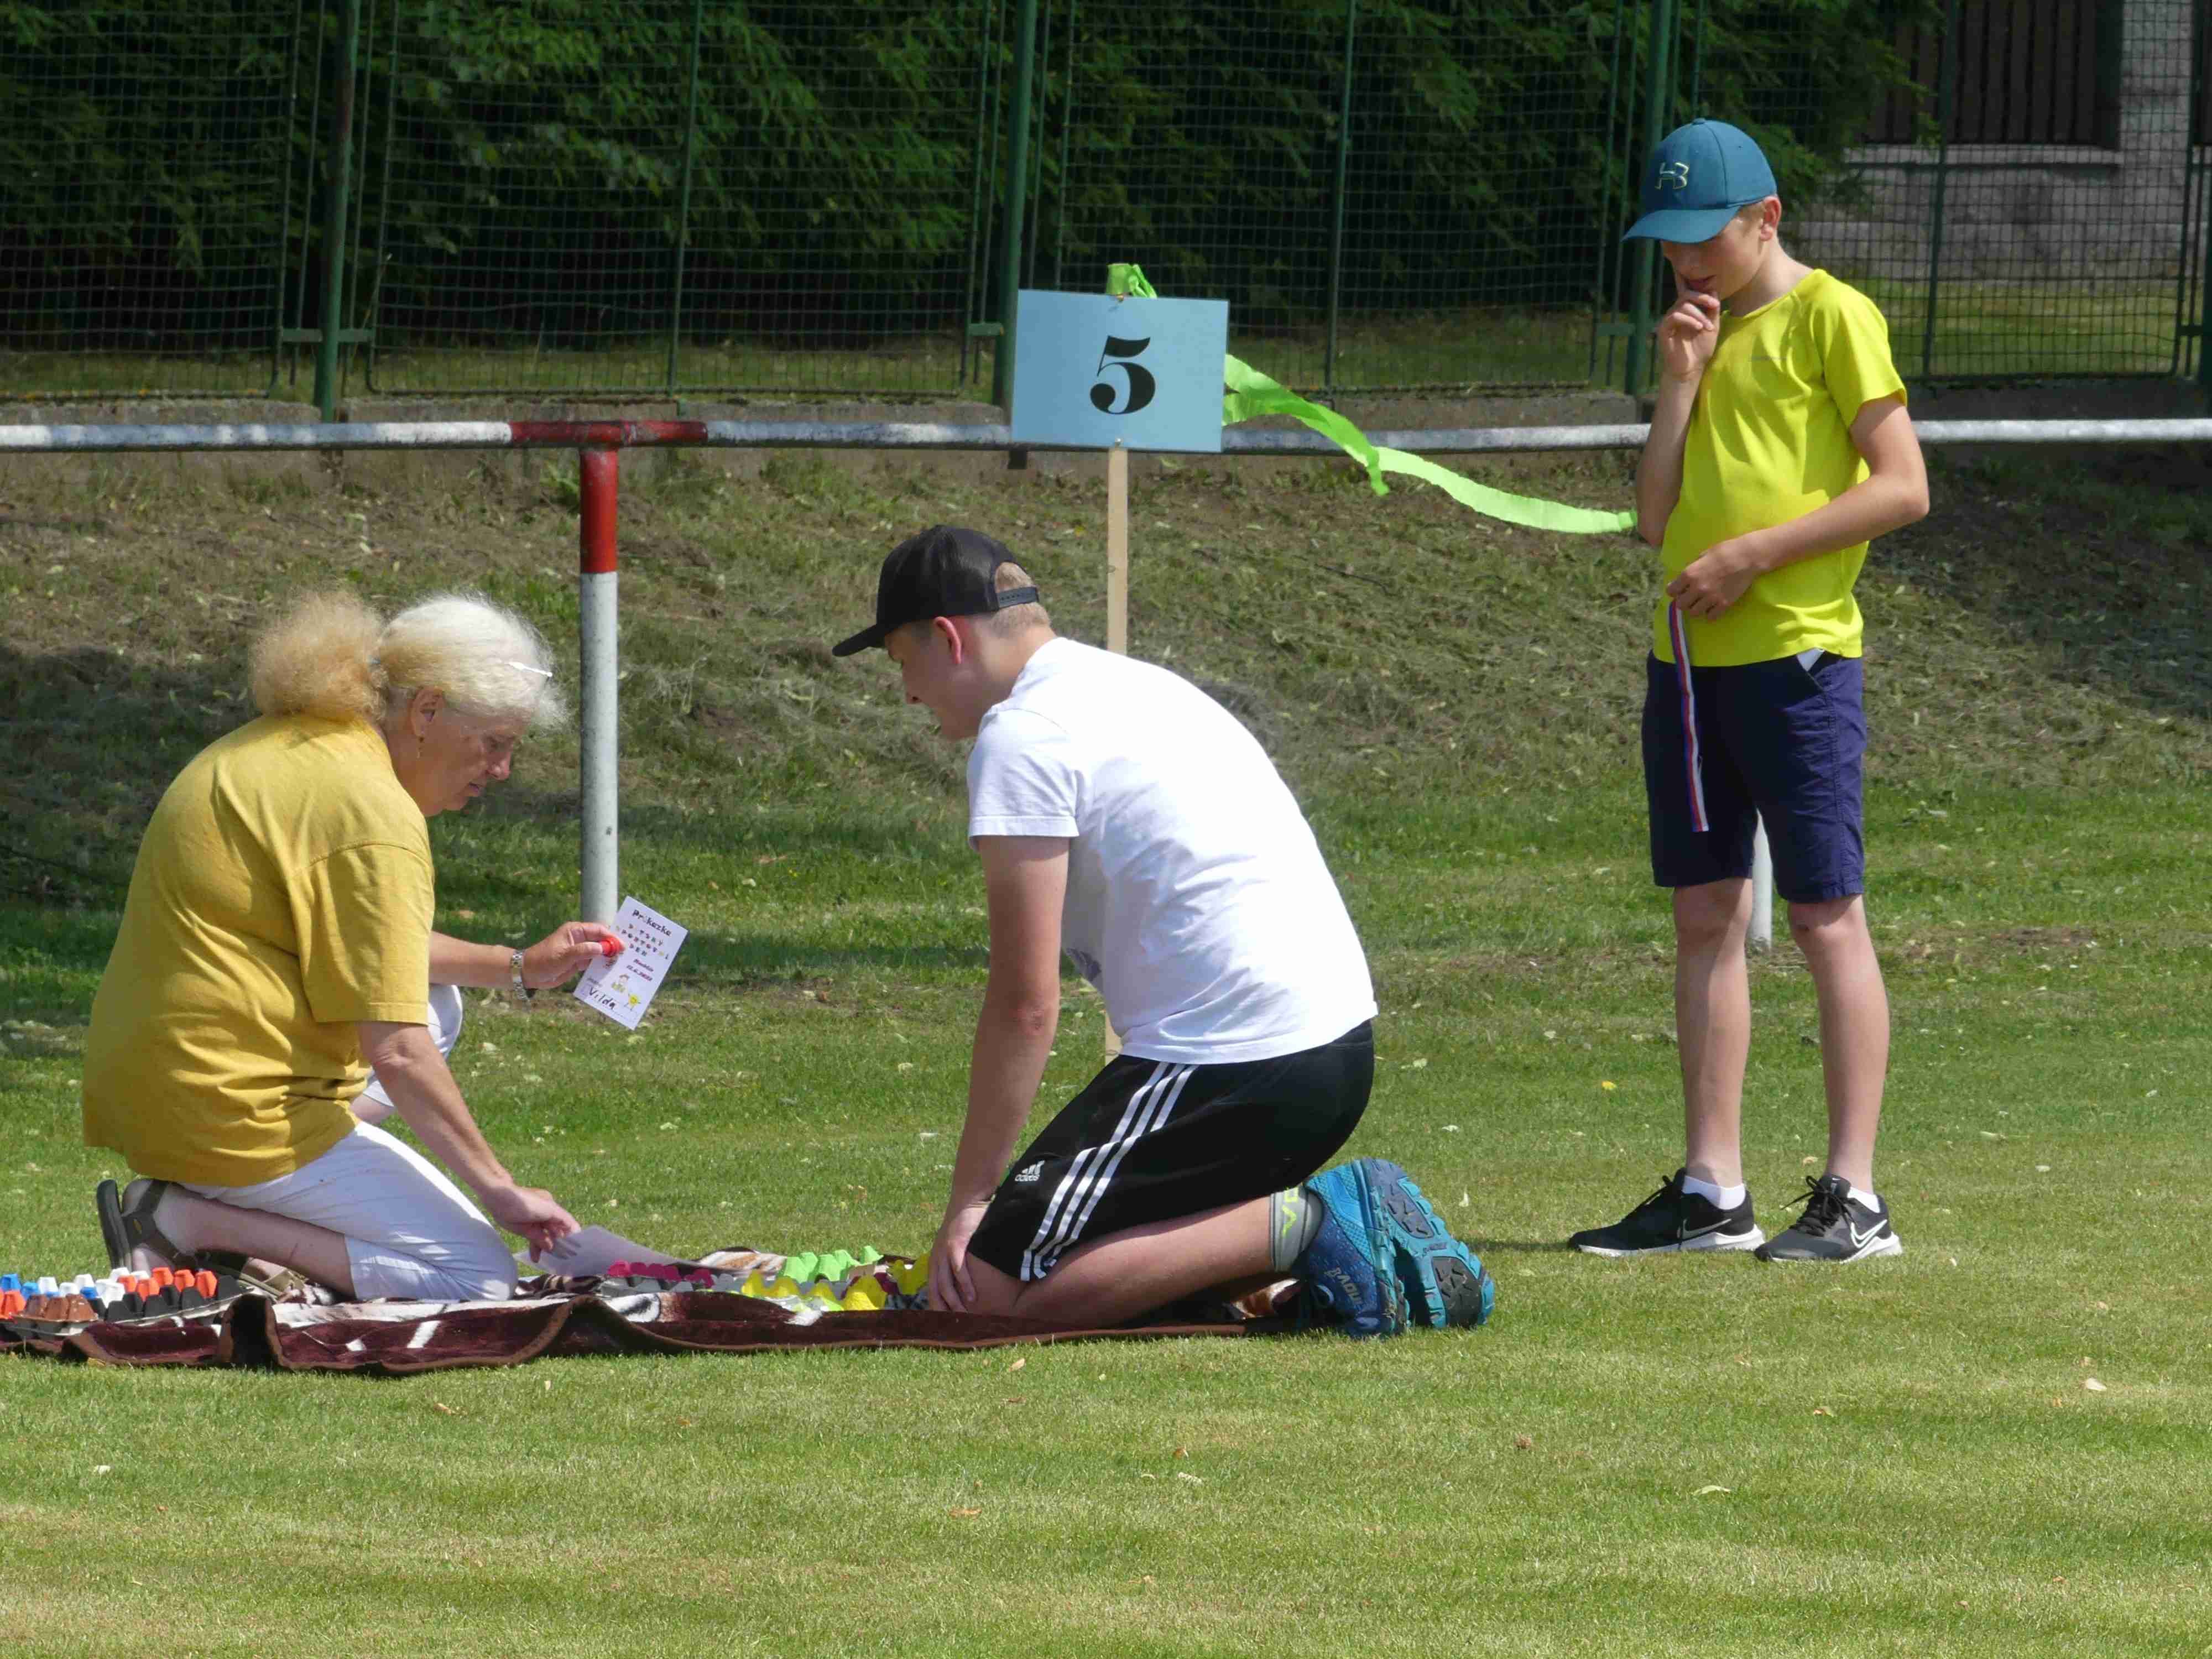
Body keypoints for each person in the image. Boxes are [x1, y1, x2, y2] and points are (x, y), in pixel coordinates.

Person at [832, 525, 1493, 1335]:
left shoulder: (1023, 736)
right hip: (1335, 1052)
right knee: (1077, 1256)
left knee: (986, 1294)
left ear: (948, 638)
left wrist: (971, 1201)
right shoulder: (1132, 684)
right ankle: (1336, 1261)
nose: (907, 692)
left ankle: (1317, 1222)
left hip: (1236, 1063)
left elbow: (1025, 1005)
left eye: (902, 661)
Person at [1569, 119, 1929, 1264]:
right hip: (1685, 669)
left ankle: (1854, 1200)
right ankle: (1712, 1194)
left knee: (1824, 917)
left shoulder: (1833, 315)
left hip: (1801, 665)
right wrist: (1677, 384)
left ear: (1764, 218)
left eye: (1703, 238)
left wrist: (1752, 557)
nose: (1685, 261)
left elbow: (1903, 487)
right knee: (1703, 916)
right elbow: (1653, 519)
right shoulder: (1696, 330)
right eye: (1668, 243)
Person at [83, 589, 614, 1302]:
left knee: (440, 1003)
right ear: (426, 711)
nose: (502, 770)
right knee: (479, 1280)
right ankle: (186, 1218)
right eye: (494, 743)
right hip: (228, 1111)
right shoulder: (372, 812)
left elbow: (370, 944)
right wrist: (500, 1190)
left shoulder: (297, 743)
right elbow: (397, 1049)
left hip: (157, 1088)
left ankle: (230, 1196)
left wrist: (520, 968)